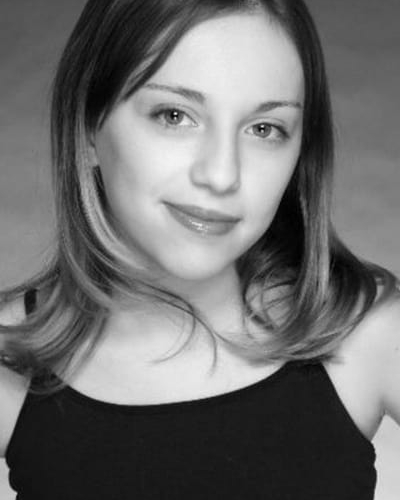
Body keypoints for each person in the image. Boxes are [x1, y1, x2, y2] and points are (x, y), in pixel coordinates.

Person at [0, 0, 399, 498]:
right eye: (174, 115)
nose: (222, 174)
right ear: (87, 129)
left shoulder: (368, 334)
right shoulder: (7, 360)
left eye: (264, 129)